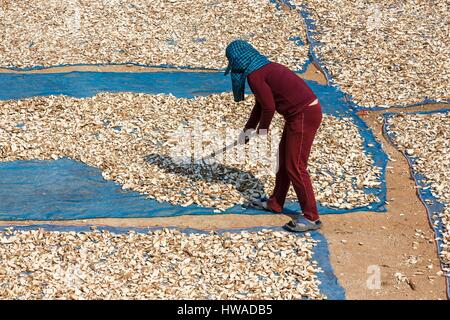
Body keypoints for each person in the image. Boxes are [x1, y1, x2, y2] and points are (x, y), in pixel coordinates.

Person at [225, 39, 323, 232]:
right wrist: (248, 130)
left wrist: (262, 130)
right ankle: (275, 203)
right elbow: (261, 104)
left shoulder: (255, 75)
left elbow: (269, 107)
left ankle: (312, 217)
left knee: (296, 166)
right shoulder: (262, 68)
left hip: (304, 114)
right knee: (284, 160)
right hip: (299, 114)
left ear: (237, 60)